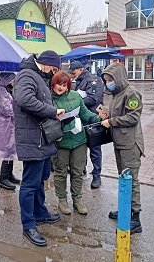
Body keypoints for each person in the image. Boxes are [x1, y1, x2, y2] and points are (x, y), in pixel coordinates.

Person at [13, 50, 65, 247]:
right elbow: (24, 100)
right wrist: (52, 111)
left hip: (43, 139)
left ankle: (40, 212)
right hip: (32, 139)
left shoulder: (39, 76)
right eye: (54, 68)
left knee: (40, 179)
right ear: (46, 63)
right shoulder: (27, 75)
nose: (54, 73)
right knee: (29, 184)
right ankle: (28, 225)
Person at [100, 63, 144, 234]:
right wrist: (107, 114)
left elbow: (133, 117)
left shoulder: (131, 93)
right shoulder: (115, 93)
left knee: (131, 180)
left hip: (130, 144)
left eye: (110, 79)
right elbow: (120, 113)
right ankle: (125, 209)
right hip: (119, 141)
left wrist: (111, 122)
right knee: (123, 178)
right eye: (106, 80)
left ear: (118, 77)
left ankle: (135, 218)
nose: (108, 83)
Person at [51, 71, 101, 216]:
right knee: (60, 171)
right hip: (61, 141)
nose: (61, 88)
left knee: (77, 171)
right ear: (53, 84)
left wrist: (98, 118)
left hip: (79, 139)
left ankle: (77, 199)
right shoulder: (49, 99)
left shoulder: (75, 96)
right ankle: (62, 200)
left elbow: (85, 114)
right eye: (58, 84)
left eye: (64, 85)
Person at [70, 61, 104, 189]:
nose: (72, 75)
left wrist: (75, 101)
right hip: (81, 120)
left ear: (80, 69)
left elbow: (94, 99)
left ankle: (96, 175)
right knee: (81, 146)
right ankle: (82, 168)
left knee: (95, 149)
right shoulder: (79, 81)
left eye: (73, 72)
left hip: (93, 118)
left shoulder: (94, 80)